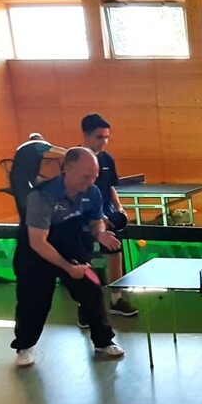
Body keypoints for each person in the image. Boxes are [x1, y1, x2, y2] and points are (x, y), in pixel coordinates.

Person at [11, 147, 125, 367]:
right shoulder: (42, 196)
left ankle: (103, 342)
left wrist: (100, 233)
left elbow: (96, 221)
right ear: (68, 169)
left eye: (94, 176)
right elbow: (38, 242)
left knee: (92, 292)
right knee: (33, 302)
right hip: (35, 253)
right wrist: (67, 268)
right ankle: (25, 346)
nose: (90, 182)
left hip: (70, 245)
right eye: (86, 176)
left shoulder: (92, 191)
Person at [78, 114, 138, 319]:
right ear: (86, 135)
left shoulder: (107, 159)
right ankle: (85, 305)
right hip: (82, 219)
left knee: (115, 255)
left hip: (107, 217)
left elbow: (110, 186)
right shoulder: (74, 160)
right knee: (84, 261)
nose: (103, 142)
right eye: (99, 137)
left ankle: (116, 300)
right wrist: (96, 217)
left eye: (106, 137)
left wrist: (119, 208)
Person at [8, 132, 66, 221]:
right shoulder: (39, 144)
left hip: (15, 178)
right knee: (28, 203)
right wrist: (75, 154)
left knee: (22, 203)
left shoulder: (23, 148)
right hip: (24, 180)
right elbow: (61, 151)